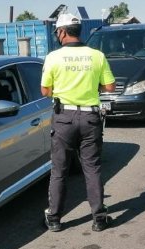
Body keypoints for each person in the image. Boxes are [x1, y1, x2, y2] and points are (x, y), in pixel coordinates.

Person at [41, 12, 116, 232]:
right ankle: (99, 218)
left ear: (62, 32)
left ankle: (54, 219)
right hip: (90, 117)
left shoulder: (53, 57)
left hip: (64, 118)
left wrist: (63, 89)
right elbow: (110, 87)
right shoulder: (97, 55)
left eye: (57, 31)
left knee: (59, 170)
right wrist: (92, 86)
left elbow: (45, 90)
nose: (57, 35)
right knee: (92, 168)